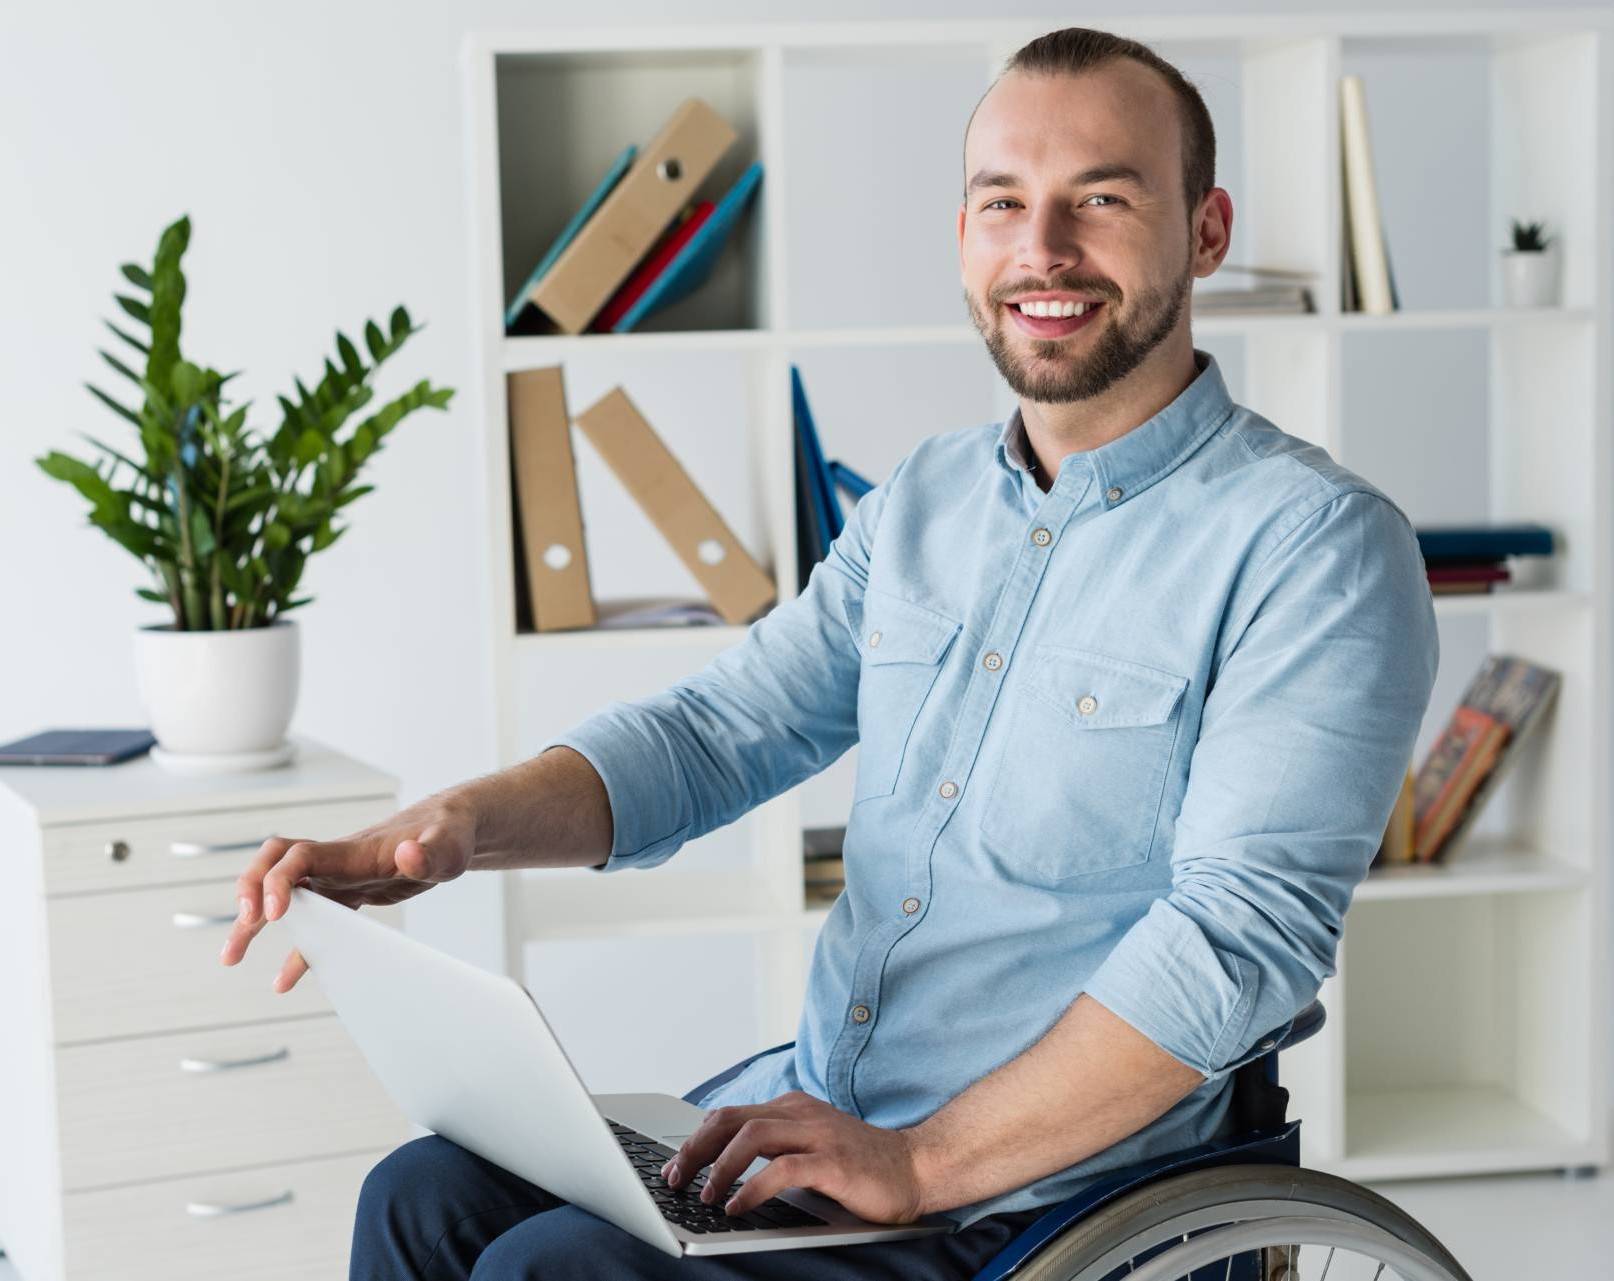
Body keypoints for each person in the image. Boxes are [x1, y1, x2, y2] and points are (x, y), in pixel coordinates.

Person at [221, 25, 1438, 1281]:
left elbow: (1237, 945)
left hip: (1044, 1200)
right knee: (424, 1196)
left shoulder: (1317, 549)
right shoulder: (928, 498)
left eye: (1103, 200)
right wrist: (451, 833)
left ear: (1207, 230)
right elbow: (717, 732)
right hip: (826, 1122)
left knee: (555, 1272)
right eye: (1002, 203)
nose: (1044, 249)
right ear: (963, 235)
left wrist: (921, 1163)